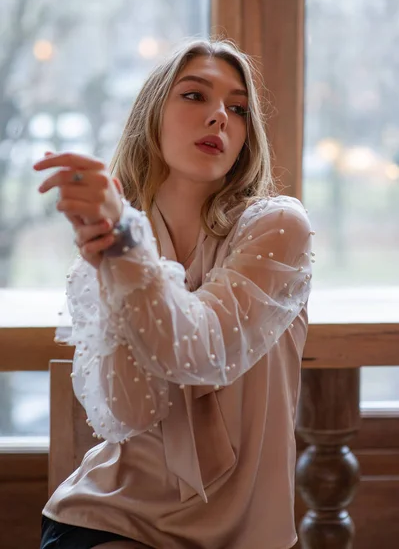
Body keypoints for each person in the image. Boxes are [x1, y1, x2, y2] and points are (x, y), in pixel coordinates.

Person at [34, 38, 314, 549]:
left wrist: (126, 246)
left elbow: (198, 349)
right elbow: (131, 412)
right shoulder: (110, 248)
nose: (219, 118)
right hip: (108, 519)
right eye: (194, 96)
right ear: (151, 115)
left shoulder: (277, 226)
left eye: (238, 109)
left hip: (249, 534)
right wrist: (118, 262)